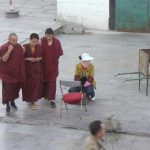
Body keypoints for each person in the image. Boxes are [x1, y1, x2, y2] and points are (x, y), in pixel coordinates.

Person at [0, 33, 25, 115]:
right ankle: (7, 106)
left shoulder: (18, 47)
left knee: (15, 89)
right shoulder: (4, 47)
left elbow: (20, 59)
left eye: (16, 40)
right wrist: (9, 51)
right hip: (7, 74)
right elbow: (4, 59)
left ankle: (12, 102)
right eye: (13, 40)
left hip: (16, 73)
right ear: (9, 39)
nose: (15, 42)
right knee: (7, 90)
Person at [41, 28, 63, 108]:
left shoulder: (57, 42)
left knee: (52, 82)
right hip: (43, 65)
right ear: (45, 35)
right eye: (47, 36)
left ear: (53, 35)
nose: (49, 38)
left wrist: (54, 59)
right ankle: (46, 95)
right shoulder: (42, 41)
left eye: (50, 36)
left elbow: (59, 53)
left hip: (53, 66)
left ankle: (52, 99)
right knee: (45, 81)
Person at [22, 33, 43, 110]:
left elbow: (42, 56)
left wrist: (39, 59)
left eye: (36, 42)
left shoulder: (39, 47)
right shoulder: (25, 47)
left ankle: (34, 102)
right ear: (30, 40)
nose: (35, 43)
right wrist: (28, 59)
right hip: (27, 69)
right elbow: (20, 58)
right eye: (33, 41)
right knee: (28, 85)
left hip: (36, 69)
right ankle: (28, 99)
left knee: (35, 86)